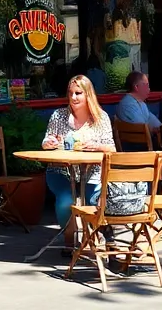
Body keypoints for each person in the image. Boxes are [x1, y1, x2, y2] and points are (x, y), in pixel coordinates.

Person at [40, 75, 116, 253]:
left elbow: (111, 148)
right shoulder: (58, 115)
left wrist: (97, 146)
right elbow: (46, 140)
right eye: (70, 93)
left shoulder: (101, 118)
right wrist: (48, 143)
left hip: (92, 172)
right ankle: (69, 239)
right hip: (61, 171)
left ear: (88, 94)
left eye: (78, 93)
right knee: (66, 200)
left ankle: (108, 242)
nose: (73, 97)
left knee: (96, 201)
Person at [117, 71, 162, 143]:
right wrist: (156, 129)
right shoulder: (128, 105)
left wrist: (161, 129)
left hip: (147, 144)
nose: (149, 89)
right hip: (136, 148)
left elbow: (157, 125)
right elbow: (143, 129)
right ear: (137, 87)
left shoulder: (141, 103)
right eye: (146, 85)